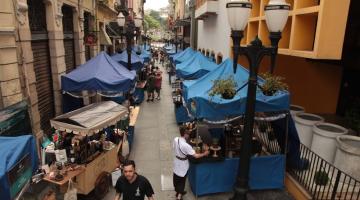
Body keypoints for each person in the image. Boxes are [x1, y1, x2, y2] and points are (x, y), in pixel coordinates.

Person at [172, 126, 209, 200]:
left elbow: (174, 147)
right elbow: (196, 156)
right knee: (182, 180)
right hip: (183, 164)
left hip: (176, 162)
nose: (189, 135)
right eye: (188, 134)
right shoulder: (186, 146)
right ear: (185, 134)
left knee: (176, 178)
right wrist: (204, 154)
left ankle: (179, 191)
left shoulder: (175, 139)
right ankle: (179, 196)